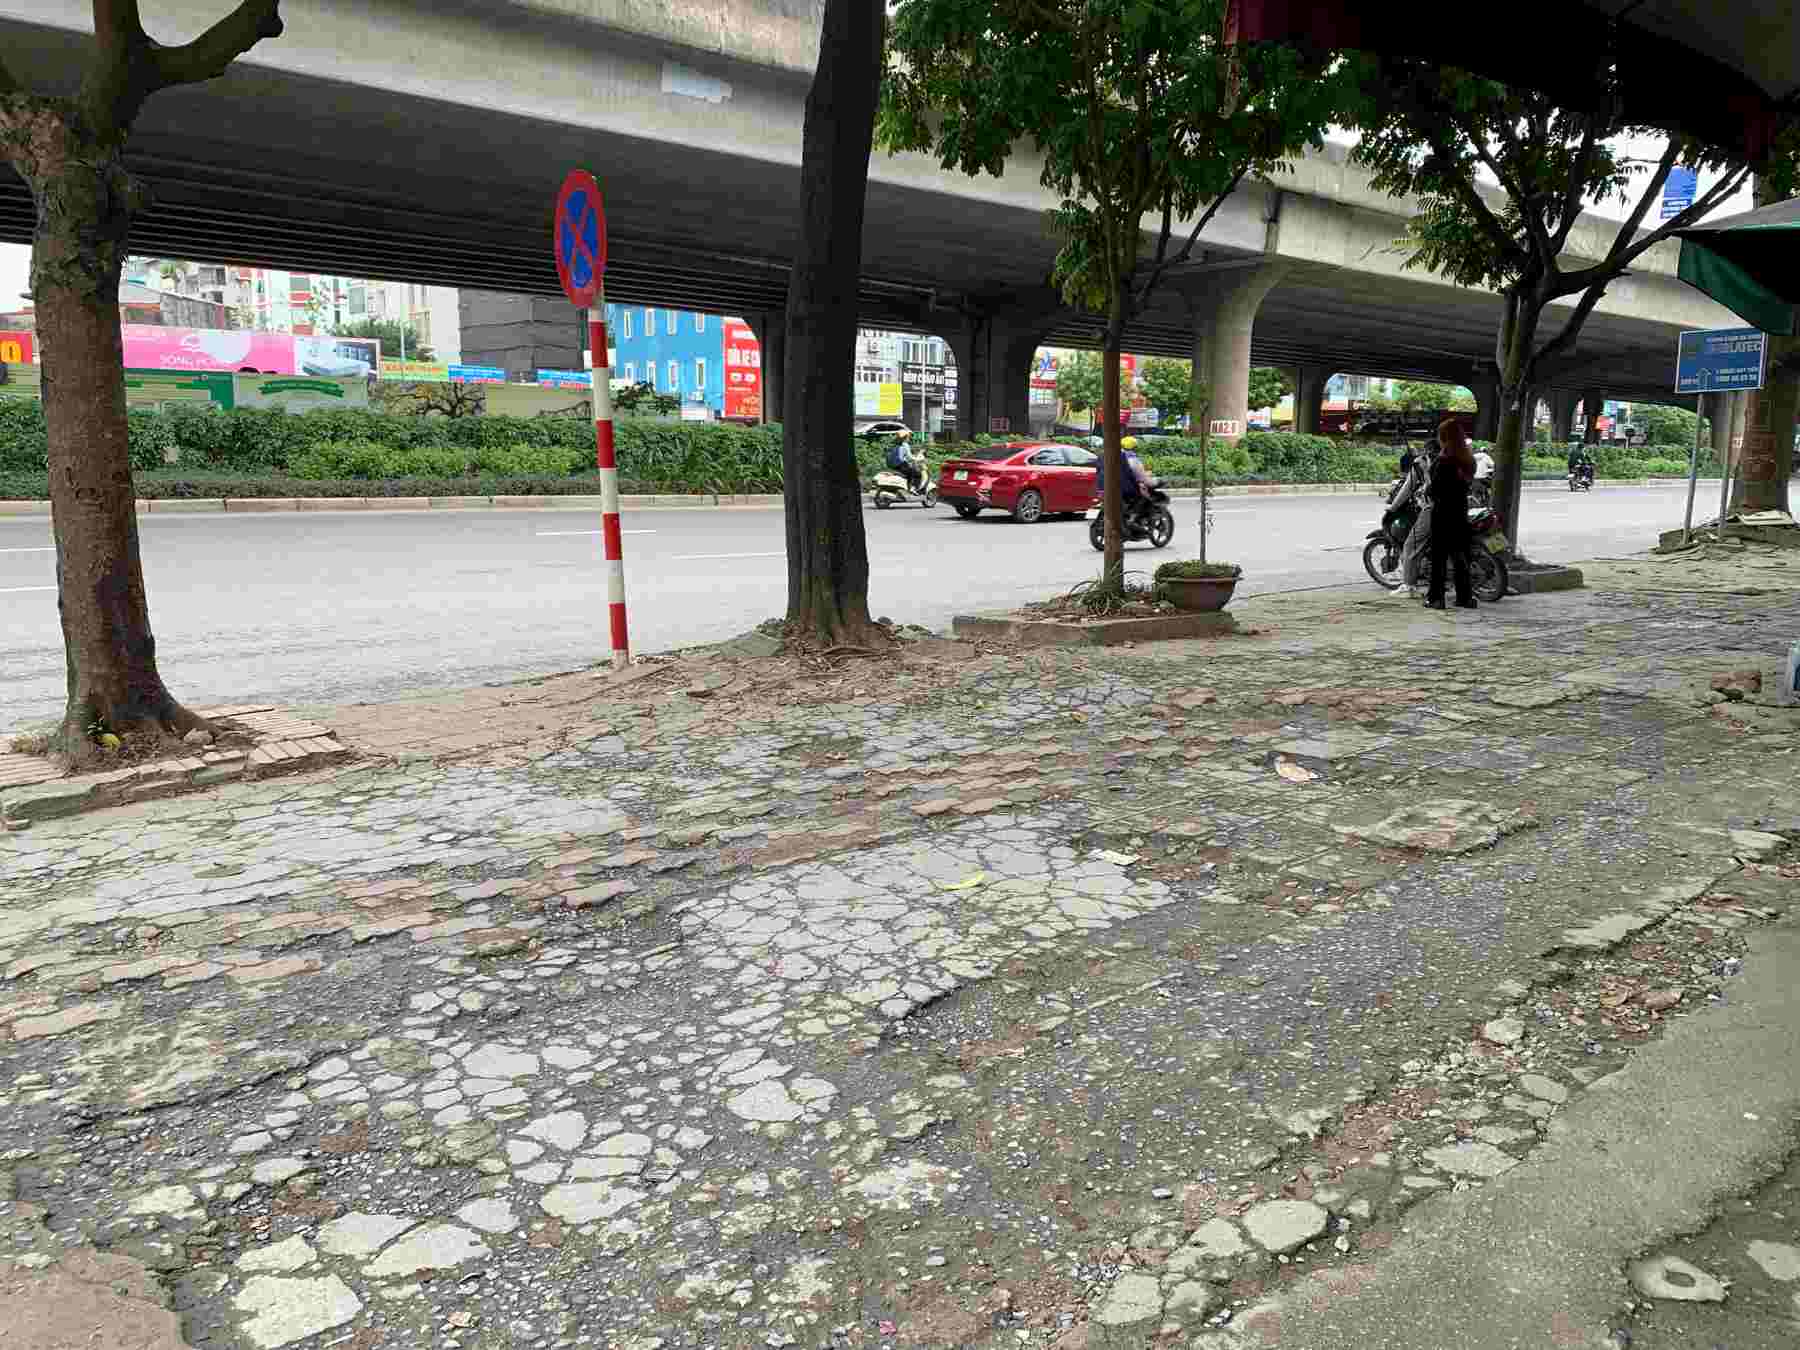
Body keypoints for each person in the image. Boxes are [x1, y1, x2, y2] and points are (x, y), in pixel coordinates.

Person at [1426, 419, 1477, 610]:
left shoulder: (1444, 461)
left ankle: (1436, 598)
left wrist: (1428, 476)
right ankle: (1465, 597)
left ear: (1445, 437)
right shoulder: (1467, 460)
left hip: (1442, 512)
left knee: (1438, 557)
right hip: (1460, 511)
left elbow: (1436, 489)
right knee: (1460, 556)